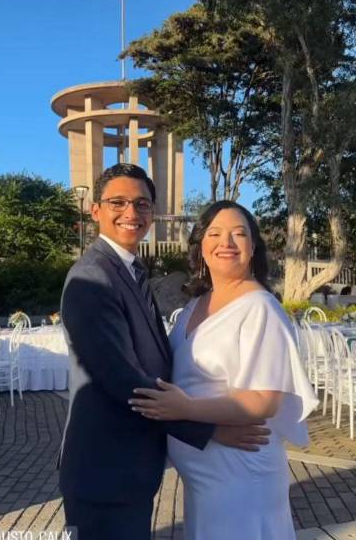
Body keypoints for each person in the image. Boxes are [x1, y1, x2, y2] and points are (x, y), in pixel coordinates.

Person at [59, 164, 270, 540]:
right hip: (105, 469)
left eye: (142, 204)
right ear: (95, 211)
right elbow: (122, 380)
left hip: (130, 469)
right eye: (118, 202)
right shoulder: (92, 277)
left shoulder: (129, 270)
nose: (131, 214)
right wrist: (209, 429)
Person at [129, 201, 318, 539]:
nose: (226, 243)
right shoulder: (196, 304)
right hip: (206, 472)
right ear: (201, 246)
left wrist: (186, 409)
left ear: (253, 246)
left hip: (240, 471)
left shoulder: (260, 309)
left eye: (238, 234)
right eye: (214, 233)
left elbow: (263, 401)